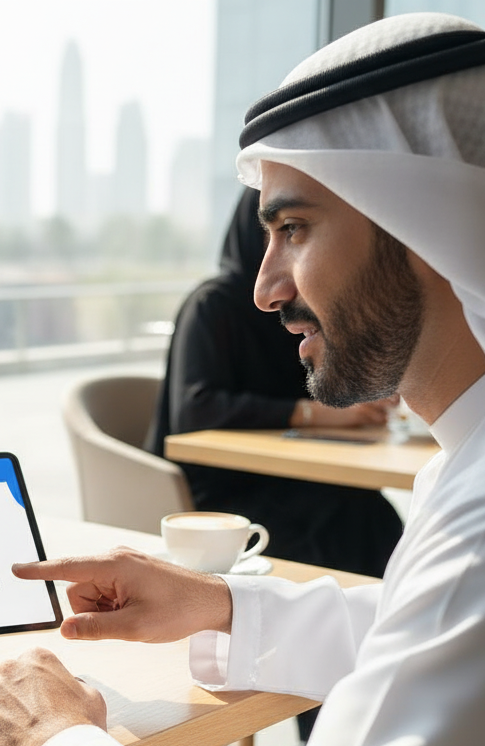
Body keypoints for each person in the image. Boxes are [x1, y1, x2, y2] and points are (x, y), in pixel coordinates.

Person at [0, 13, 485, 746]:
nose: (265, 287)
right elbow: (445, 651)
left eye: (293, 227)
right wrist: (222, 605)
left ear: (423, 223)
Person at [145, 187, 403, 580]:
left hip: (293, 475)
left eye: (295, 231)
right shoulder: (213, 304)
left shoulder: (304, 306)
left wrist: (364, 393)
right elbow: (195, 410)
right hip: (222, 490)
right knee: (340, 517)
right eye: (278, 230)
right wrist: (310, 413)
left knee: (365, 505)